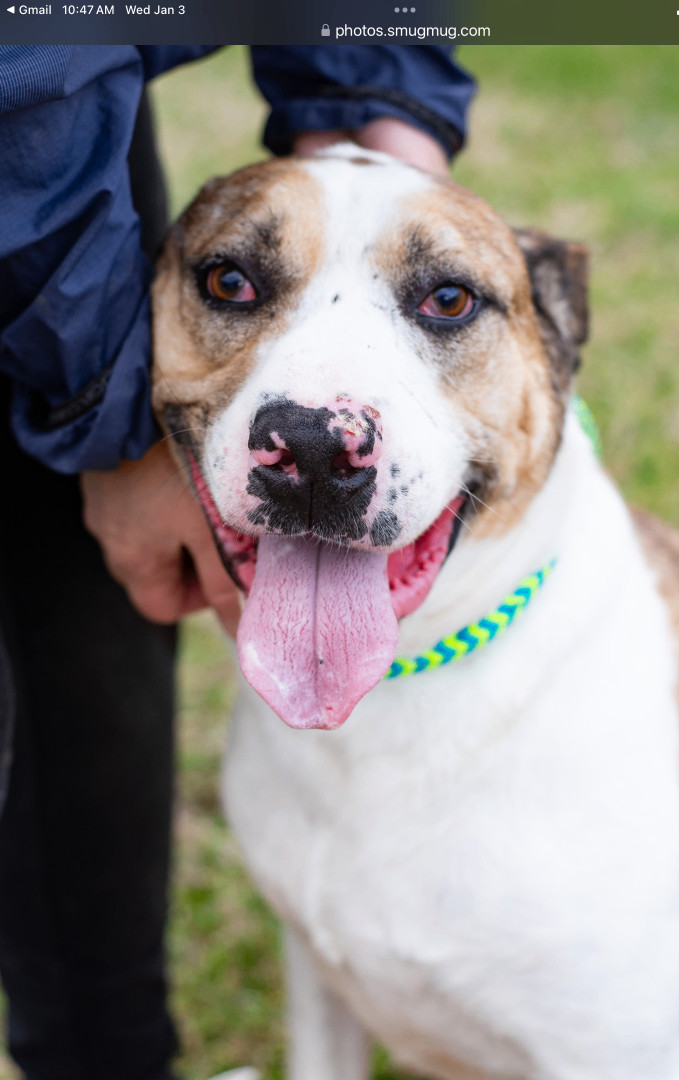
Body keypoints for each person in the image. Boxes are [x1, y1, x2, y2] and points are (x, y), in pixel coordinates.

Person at [0, 45, 475, 1080]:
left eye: (443, 304)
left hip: (68, 116)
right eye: (230, 282)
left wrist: (375, 102)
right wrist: (115, 423)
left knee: (79, 614)